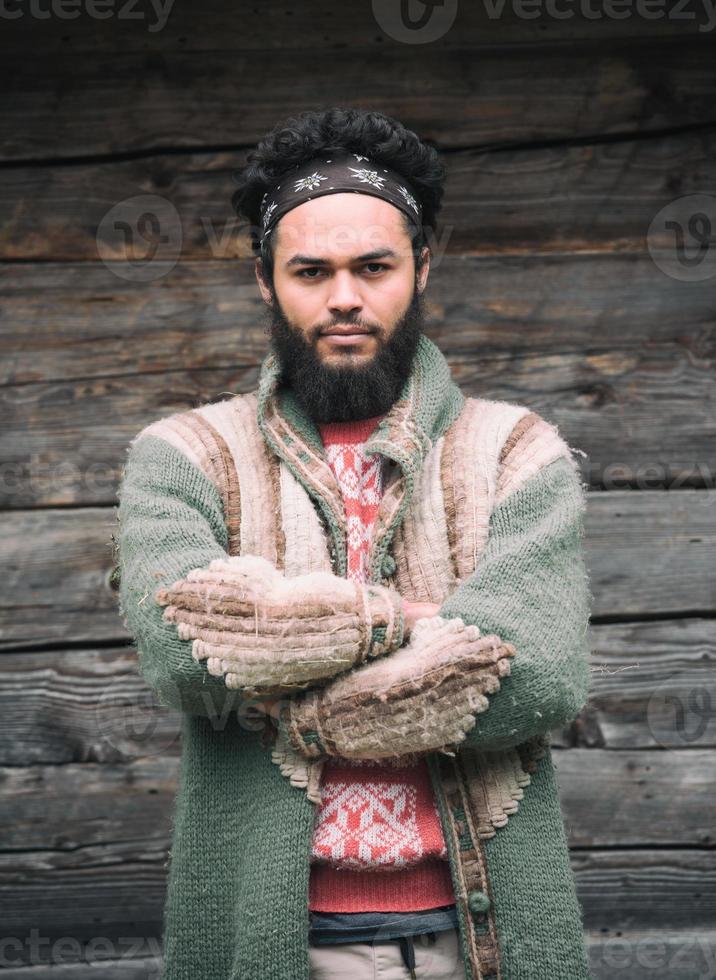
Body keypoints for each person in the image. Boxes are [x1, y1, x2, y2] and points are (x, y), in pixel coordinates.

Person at [115, 106, 593, 980]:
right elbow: (185, 654)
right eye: (312, 271)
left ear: (421, 268)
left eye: (373, 266)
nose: (344, 296)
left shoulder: (517, 453)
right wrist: (417, 625)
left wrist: (285, 662)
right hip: (275, 934)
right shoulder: (184, 457)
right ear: (265, 280)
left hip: (481, 932)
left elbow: (539, 675)